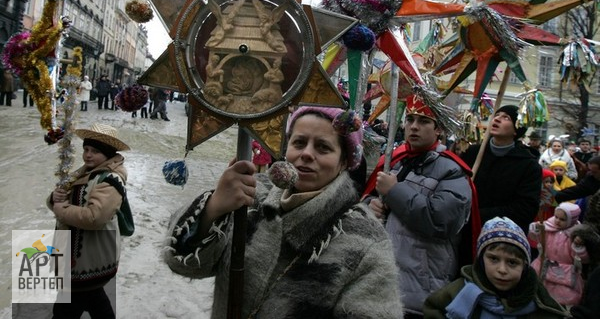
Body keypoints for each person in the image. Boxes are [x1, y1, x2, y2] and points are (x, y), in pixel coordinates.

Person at [162, 106, 404, 318]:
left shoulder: (366, 239)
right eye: (299, 143)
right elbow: (184, 264)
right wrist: (214, 208)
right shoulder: (251, 197)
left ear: (344, 162)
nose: (307, 153)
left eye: (323, 147)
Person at [362, 93, 474, 317]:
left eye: (423, 121)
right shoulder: (394, 160)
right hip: (380, 283)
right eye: (410, 120)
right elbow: (369, 202)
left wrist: (394, 191)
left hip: (421, 291)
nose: (414, 127)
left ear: (438, 129)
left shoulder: (452, 171)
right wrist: (369, 205)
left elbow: (441, 220)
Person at [47, 123, 130, 318]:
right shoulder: (82, 172)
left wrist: (62, 209)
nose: (88, 155)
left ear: (107, 154)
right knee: (94, 300)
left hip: (89, 258)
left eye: (95, 151)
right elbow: (62, 202)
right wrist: (54, 198)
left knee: (65, 309)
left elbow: (96, 217)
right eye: (86, 149)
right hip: (78, 259)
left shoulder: (110, 179)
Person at [423, 217, 569, 318]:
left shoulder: (539, 304)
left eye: (512, 262)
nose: (502, 270)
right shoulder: (457, 293)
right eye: (493, 259)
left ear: (525, 265)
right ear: (481, 259)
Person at [461, 105, 541, 234]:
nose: (497, 119)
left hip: (502, 235)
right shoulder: (472, 153)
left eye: (506, 117)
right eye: (496, 115)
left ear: (516, 130)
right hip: (465, 232)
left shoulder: (528, 165)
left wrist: (476, 215)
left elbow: (525, 209)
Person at [528, 202, 588, 306]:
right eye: (556, 217)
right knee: (538, 289)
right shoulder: (548, 226)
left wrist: (578, 247)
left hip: (565, 273)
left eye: (562, 219)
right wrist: (536, 230)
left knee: (563, 296)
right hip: (543, 266)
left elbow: (581, 257)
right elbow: (537, 239)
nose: (558, 221)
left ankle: (558, 309)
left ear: (571, 220)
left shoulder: (575, 235)